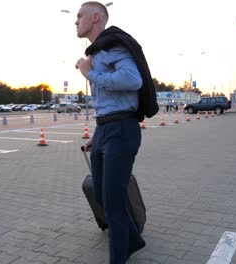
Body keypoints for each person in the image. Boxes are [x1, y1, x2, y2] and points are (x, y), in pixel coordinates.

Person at [75, 2, 147, 263]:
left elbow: (133, 80)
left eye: (80, 16)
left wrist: (91, 73)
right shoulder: (97, 53)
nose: (76, 21)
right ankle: (134, 241)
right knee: (101, 196)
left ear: (96, 18)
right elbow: (106, 104)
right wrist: (98, 132)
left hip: (122, 130)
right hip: (105, 129)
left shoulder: (115, 46)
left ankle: (118, 256)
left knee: (115, 205)